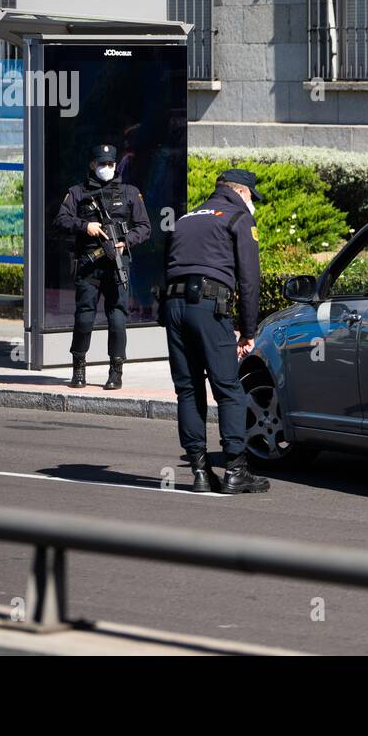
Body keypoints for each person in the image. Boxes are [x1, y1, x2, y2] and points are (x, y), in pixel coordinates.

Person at [162, 168, 268, 495]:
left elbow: (168, 263)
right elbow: (250, 279)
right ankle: (236, 470)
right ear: (243, 192)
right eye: (253, 198)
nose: (253, 205)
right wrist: (248, 331)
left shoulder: (188, 217)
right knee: (228, 388)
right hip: (208, 305)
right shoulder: (238, 217)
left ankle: (200, 472)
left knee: (189, 389)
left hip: (174, 305)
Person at [53, 144, 151, 390]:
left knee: (117, 317)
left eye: (110, 164)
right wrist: (85, 226)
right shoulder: (78, 192)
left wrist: (124, 242)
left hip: (117, 263)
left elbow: (144, 227)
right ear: (92, 165)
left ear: (116, 165)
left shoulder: (129, 192)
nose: (106, 168)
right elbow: (61, 220)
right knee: (84, 317)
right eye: (101, 164)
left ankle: (115, 371)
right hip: (89, 264)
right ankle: (78, 369)